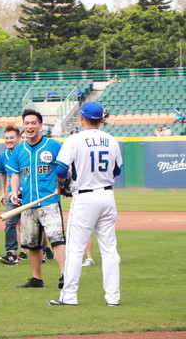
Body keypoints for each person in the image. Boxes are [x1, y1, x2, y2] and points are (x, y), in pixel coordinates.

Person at [48, 102, 122, 307]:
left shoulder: (75, 139)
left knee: (74, 249)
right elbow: (117, 170)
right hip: (107, 196)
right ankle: (113, 298)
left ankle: (69, 296)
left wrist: (62, 185)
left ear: (82, 117)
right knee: (109, 249)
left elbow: (61, 170)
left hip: (85, 198)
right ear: (101, 120)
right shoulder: (111, 140)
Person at [7, 109, 66, 289]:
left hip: (49, 202)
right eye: (27, 123)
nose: (30, 126)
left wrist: (62, 185)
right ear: (23, 126)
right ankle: (36, 279)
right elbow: (15, 174)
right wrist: (14, 192)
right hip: (28, 204)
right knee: (32, 244)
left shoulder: (53, 145)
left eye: (34, 123)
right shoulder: (18, 150)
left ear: (41, 126)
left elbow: (65, 168)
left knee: (57, 239)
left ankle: (65, 275)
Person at [0, 125, 24, 265]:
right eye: (6, 138)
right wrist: (3, 192)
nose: (9, 140)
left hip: (27, 193)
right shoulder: (3, 156)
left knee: (32, 223)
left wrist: (19, 188)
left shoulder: (25, 152)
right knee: (9, 222)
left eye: (12, 138)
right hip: (12, 194)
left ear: (18, 138)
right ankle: (11, 253)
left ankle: (42, 250)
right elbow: (2, 173)